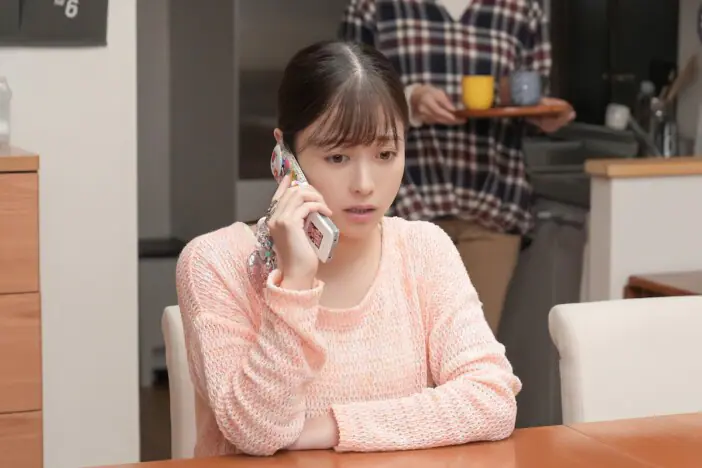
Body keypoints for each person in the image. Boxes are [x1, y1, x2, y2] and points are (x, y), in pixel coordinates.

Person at [175, 40, 522, 457]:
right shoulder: (214, 262)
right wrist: (295, 282)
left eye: (385, 154)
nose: (365, 184)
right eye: (338, 157)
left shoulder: (424, 249)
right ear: (285, 156)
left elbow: (492, 399)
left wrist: (332, 427)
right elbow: (256, 434)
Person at [339, 0, 576, 333]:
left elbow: (529, 98)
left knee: (469, 349)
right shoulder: (373, 6)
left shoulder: (522, 8)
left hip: (492, 208)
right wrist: (409, 99)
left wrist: (544, 118)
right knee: (395, 345)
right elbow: (345, 95)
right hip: (398, 209)